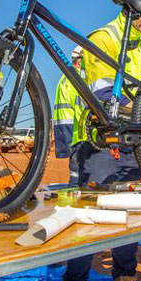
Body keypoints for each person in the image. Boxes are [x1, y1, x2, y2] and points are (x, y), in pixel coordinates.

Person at [62, 0, 141, 281]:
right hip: (99, 142)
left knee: (128, 216)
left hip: (130, 140)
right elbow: (103, 94)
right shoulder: (104, 38)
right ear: (135, 9)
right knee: (86, 220)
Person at [53, 46, 86, 186]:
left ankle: (74, 192)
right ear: (79, 61)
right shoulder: (76, 78)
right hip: (79, 132)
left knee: (75, 171)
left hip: (68, 131)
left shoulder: (65, 78)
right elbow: (81, 107)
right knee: (80, 173)